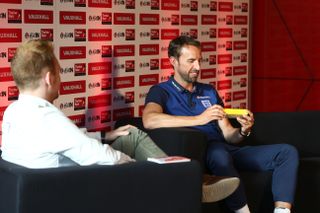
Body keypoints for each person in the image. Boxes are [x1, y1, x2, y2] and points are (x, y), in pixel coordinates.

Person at [0, 39, 239, 203]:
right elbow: (103, 158)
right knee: (133, 139)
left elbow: (57, 142)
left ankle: (188, 177)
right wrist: (134, 164)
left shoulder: (14, 112)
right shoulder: (48, 117)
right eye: (61, 72)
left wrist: (105, 136)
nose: (62, 78)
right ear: (50, 78)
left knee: (127, 134)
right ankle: (187, 182)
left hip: (47, 183)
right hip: (78, 186)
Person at [143, 36, 299, 213]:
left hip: (224, 149)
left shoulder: (209, 91)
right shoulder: (161, 91)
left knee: (286, 152)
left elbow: (228, 134)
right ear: (173, 61)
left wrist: (243, 131)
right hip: (202, 153)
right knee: (218, 154)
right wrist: (198, 119)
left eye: (199, 61)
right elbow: (149, 120)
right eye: (191, 61)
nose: (198, 67)